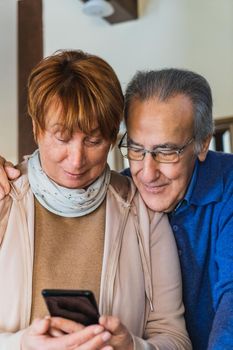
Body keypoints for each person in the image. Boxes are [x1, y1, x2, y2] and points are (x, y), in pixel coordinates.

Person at [0, 50, 191, 350]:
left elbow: (176, 339)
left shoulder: (143, 213)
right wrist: (20, 345)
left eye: (93, 140)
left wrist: (132, 347)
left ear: (113, 138)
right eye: (62, 138)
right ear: (37, 129)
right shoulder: (5, 198)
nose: (76, 161)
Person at [117, 68, 233, 350]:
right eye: (136, 149)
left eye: (166, 152)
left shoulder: (229, 185)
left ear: (202, 144)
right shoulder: (119, 192)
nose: (146, 172)